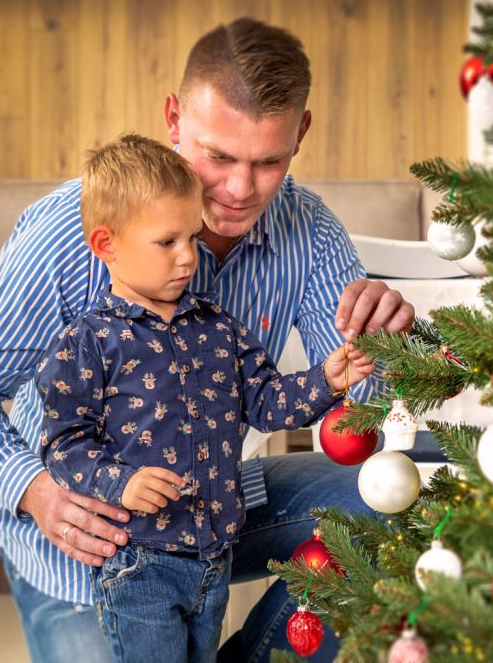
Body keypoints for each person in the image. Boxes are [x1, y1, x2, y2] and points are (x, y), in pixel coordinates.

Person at [0, 17, 414, 663]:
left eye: (269, 161)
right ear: (174, 119)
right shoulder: (70, 232)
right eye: (219, 156)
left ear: (302, 133)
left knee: (389, 502)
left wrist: (384, 348)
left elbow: (358, 404)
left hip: (214, 506)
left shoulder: (311, 232)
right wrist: (34, 490)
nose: (240, 189)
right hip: (85, 541)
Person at [35, 134, 374, 662]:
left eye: (192, 237)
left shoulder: (218, 328)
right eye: (166, 242)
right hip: (139, 563)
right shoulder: (90, 342)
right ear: (107, 244)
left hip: (213, 555)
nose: (188, 258)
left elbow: (267, 402)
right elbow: (63, 444)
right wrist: (121, 483)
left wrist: (326, 380)